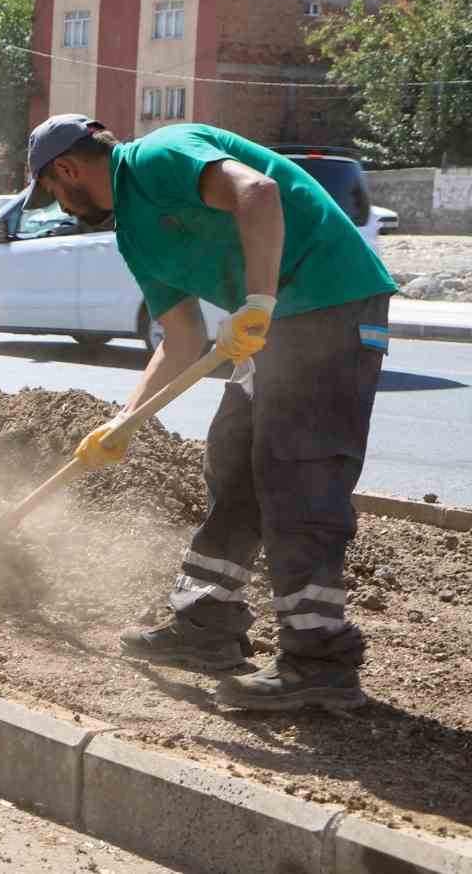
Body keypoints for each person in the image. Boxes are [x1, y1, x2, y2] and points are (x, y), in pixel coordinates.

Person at [23, 116, 397, 711]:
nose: (61, 207)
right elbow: (181, 338)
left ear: (65, 170)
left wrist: (258, 302)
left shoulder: (160, 154)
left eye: (53, 192)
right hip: (274, 324)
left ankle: (318, 657)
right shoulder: (135, 237)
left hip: (331, 301)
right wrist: (123, 421)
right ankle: (205, 624)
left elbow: (259, 192)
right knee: (234, 462)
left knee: (297, 472)